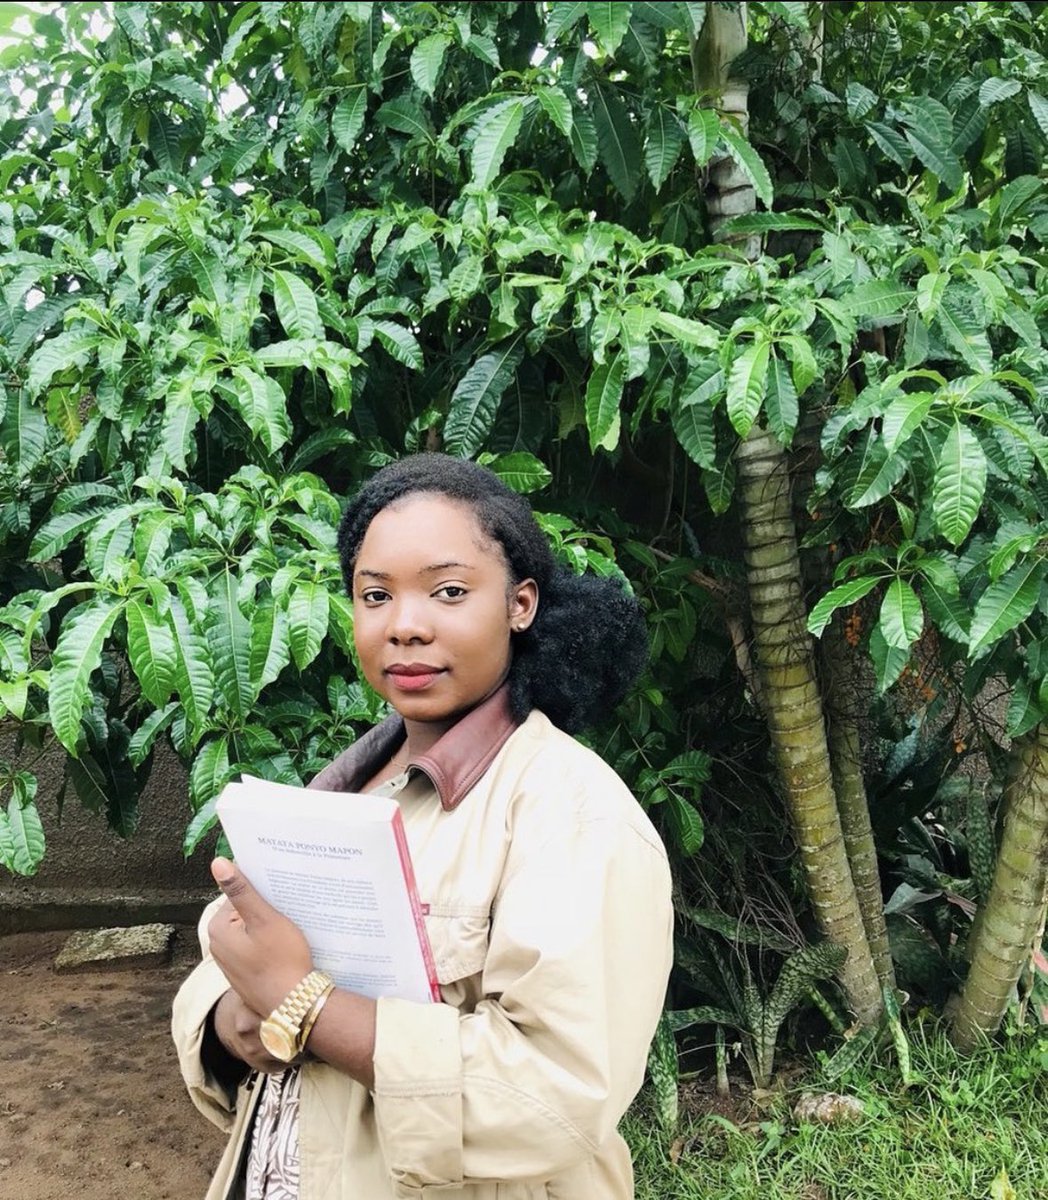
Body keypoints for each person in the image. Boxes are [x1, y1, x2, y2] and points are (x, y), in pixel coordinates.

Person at [172, 453, 674, 1200]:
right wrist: (235, 1021)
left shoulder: (572, 816)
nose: (404, 626)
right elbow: (231, 983)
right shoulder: (336, 794)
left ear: (520, 604)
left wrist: (305, 1006)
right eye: (375, 595)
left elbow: (558, 1095)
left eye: (447, 591)